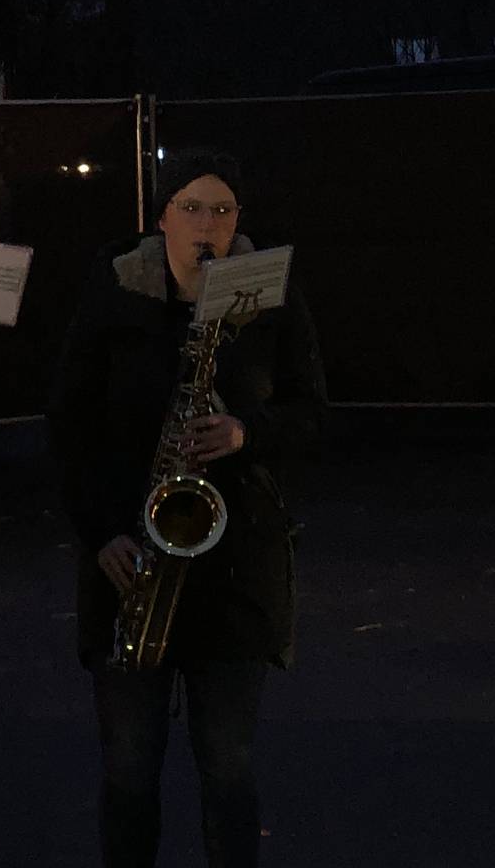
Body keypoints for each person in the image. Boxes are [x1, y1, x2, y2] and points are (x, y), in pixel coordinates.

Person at [55, 148, 326, 868]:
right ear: (162, 217)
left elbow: (313, 410)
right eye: (193, 208)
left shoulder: (268, 294)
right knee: (129, 772)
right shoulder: (114, 293)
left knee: (229, 770)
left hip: (236, 572)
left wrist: (246, 432)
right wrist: (101, 531)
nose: (210, 224)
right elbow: (70, 425)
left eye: (225, 210)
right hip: (129, 565)